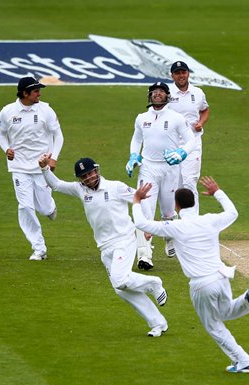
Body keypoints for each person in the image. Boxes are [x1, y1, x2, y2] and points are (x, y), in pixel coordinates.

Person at [132, 176, 249, 373]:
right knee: (225, 313)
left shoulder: (174, 226)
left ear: (176, 206)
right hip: (221, 276)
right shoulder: (210, 220)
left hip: (202, 284)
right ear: (194, 202)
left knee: (214, 326)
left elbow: (141, 223)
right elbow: (233, 213)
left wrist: (137, 200)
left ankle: (244, 362)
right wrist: (217, 192)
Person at [39, 154, 169, 336]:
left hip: (124, 239)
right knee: (121, 290)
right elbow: (57, 185)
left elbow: (140, 198)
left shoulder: (115, 187)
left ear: (96, 171)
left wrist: (147, 224)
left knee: (120, 280)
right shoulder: (80, 190)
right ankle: (158, 323)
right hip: (104, 247)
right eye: (84, 176)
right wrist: (45, 169)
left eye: (90, 173)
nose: (88, 178)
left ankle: (154, 284)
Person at [126, 81, 197, 270]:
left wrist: (181, 153)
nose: (157, 94)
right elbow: (137, 139)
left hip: (170, 169)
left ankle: (168, 237)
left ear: (167, 96)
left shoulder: (176, 118)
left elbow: (191, 141)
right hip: (148, 168)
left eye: (160, 92)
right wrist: (133, 156)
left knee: (167, 211)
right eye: (154, 92)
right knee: (145, 211)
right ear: (150, 96)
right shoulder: (142, 118)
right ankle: (145, 255)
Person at [0, 76, 65, 261]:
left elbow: (58, 136)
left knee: (44, 209)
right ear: (24, 93)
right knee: (25, 206)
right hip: (18, 167)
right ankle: (39, 249)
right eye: (35, 91)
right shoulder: (7, 112)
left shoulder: (46, 110)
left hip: (41, 166)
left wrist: (54, 159)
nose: (39, 94)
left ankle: (50, 207)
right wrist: (6, 149)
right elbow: (2, 135)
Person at [167, 61, 210, 215]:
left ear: (188, 73)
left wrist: (201, 122)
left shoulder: (198, 93)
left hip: (192, 143)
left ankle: (193, 222)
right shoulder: (166, 93)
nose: (181, 76)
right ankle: (176, 221)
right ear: (172, 75)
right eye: (177, 73)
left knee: (189, 182)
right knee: (174, 185)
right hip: (172, 145)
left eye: (183, 72)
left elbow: (205, 110)